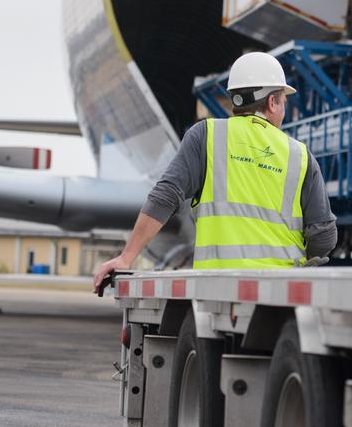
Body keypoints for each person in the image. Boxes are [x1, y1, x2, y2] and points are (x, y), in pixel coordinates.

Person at [93, 52, 336, 290]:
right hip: (279, 292)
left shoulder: (206, 136)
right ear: (272, 102)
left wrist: (127, 257)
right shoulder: (300, 155)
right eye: (283, 101)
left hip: (216, 289)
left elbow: (165, 196)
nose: (283, 109)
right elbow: (323, 237)